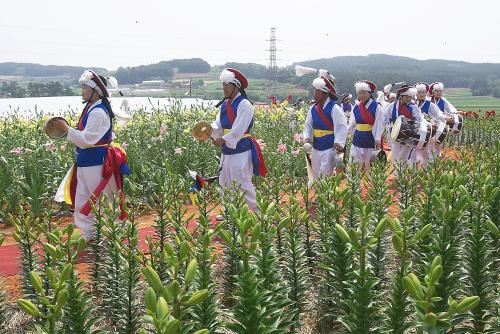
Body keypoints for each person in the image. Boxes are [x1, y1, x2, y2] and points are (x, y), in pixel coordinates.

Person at [52, 70, 130, 240]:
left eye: (85, 88)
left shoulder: (98, 112)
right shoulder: (91, 108)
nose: (83, 91)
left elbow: (87, 140)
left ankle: (112, 231)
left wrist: (66, 129)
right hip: (86, 161)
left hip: (96, 162)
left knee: (100, 199)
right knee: (83, 198)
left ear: (96, 90)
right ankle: (91, 232)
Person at [210, 68, 267, 218]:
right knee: (224, 180)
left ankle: (259, 211)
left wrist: (223, 139)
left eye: (226, 85)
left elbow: (239, 128)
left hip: (241, 147)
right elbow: (218, 125)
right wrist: (209, 130)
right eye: (223, 85)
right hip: (227, 149)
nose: (224, 88)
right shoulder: (224, 105)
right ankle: (229, 210)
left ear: (236, 86)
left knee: (241, 180)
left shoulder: (245, 104)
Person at [303, 74, 347, 180]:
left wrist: (339, 142)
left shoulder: (335, 108)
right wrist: (307, 138)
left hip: (329, 147)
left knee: (325, 175)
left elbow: (341, 126)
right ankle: (318, 196)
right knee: (316, 173)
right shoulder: (313, 108)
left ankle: (325, 196)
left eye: (318, 91)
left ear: (326, 93)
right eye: (315, 91)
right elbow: (308, 125)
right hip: (316, 146)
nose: (315, 94)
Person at [347, 80, 385, 172]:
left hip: (370, 139)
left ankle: (372, 185)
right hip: (357, 138)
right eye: (360, 93)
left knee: (370, 166)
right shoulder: (356, 107)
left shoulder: (376, 107)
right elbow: (352, 123)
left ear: (369, 93)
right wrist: (345, 134)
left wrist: (377, 139)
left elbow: (378, 124)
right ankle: (353, 185)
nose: (362, 95)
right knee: (354, 164)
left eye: (364, 93)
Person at [385, 84, 422, 170]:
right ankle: (396, 176)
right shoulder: (392, 106)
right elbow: (384, 118)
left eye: (410, 97)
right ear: (401, 96)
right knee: (395, 155)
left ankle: (407, 175)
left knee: (406, 156)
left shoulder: (414, 108)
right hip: (396, 135)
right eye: (406, 97)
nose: (408, 99)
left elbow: (419, 121)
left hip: (409, 136)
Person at [414, 82, 446, 163]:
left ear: (426, 93)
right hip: (415, 131)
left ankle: (430, 166)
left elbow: (439, 115)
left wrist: (446, 118)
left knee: (428, 150)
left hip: (428, 131)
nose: (421, 94)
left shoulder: (430, 105)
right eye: (419, 92)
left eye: (423, 92)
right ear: (416, 94)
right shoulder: (412, 104)